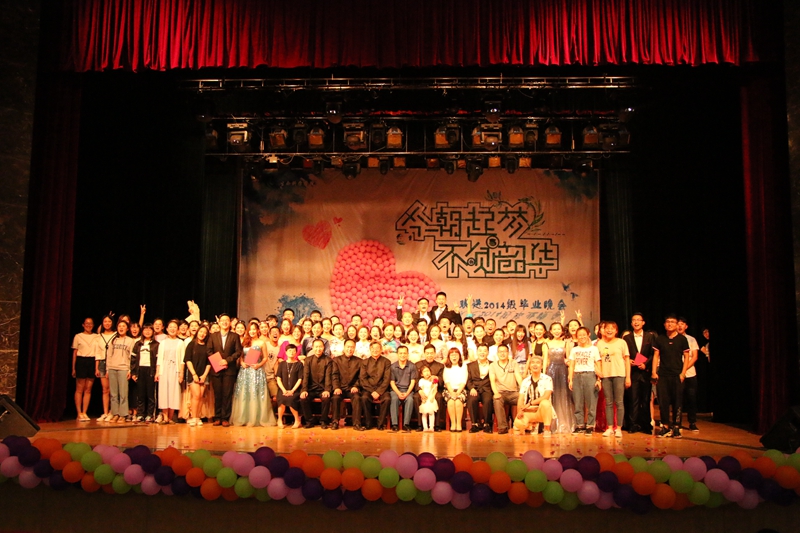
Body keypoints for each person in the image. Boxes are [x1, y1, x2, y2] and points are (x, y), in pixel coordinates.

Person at [652, 315, 691, 439]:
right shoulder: (660, 339)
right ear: (664, 324)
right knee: (663, 402)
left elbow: (686, 357)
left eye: (673, 322)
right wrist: (654, 372)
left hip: (677, 375)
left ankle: (676, 427)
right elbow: (656, 356)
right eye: (668, 322)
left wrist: (683, 373)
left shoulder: (682, 339)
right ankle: (665, 426)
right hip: (663, 375)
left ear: (677, 324)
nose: (670, 324)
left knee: (677, 402)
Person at [230, 323, 276, 427]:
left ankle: (256, 418)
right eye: (250, 330)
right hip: (245, 371)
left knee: (256, 393)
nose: (252, 331)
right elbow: (240, 355)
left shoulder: (261, 342)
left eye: (254, 329)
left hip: (256, 371)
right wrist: (242, 362)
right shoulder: (244, 342)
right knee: (244, 393)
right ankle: (244, 418)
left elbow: (265, 358)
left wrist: (259, 365)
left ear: (258, 330)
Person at [621, 313, 657, 433]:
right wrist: (629, 361)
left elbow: (653, 354)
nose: (636, 322)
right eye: (634, 320)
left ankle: (646, 424)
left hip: (645, 372)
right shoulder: (627, 338)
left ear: (643, 322)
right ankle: (633, 424)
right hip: (633, 373)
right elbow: (624, 354)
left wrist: (645, 364)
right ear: (631, 323)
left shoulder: (650, 337)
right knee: (633, 399)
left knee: (646, 399)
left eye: (638, 320)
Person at [206, 314, 243, 427]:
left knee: (227, 394)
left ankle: (225, 418)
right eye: (222, 320)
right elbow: (209, 351)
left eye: (227, 320)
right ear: (219, 322)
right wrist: (219, 362)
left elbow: (238, 351)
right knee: (217, 394)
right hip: (216, 369)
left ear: (230, 322)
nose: (224, 322)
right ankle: (217, 417)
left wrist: (227, 361)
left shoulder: (234, 336)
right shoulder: (213, 336)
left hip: (229, 370)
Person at [596, 321, 631, 437]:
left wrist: (628, 377)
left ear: (616, 331)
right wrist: (598, 375)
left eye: (612, 328)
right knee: (608, 402)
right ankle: (610, 428)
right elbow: (597, 361)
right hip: (605, 376)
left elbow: (627, 360)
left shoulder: (622, 342)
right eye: (607, 328)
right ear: (603, 330)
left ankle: (618, 428)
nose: (609, 330)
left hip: (619, 374)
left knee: (619, 402)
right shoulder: (600, 344)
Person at [99, 320, 135, 423]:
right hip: (112, 368)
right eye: (119, 326)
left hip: (123, 368)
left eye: (123, 326)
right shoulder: (113, 340)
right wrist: (107, 369)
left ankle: (123, 414)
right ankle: (115, 413)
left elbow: (132, 357)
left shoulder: (130, 341)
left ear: (127, 328)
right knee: (113, 394)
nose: (121, 328)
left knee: (123, 393)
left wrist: (130, 370)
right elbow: (109, 355)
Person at [568, 326, 602, 435]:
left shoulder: (594, 349)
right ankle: (580, 425)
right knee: (578, 402)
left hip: (590, 375)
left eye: (584, 335)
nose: (582, 337)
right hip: (577, 376)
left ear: (588, 335)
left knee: (591, 402)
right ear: (576, 337)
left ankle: (590, 425)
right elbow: (571, 365)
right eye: (579, 335)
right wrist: (571, 379)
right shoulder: (574, 349)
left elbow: (598, 364)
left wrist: (599, 379)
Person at [513, 356, 555, 436]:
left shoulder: (547, 379)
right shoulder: (525, 381)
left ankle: (547, 429)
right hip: (528, 411)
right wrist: (519, 411)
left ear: (541, 366)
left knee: (545, 403)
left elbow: (546, 396)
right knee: (517, 426)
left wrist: (530, 403)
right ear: (529, 366)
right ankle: (530, 426)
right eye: (532, 363)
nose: (535, 365)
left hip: (541, 411)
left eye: (538, 363)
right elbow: (521, 398)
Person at [545, 322, 575, 434]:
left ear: (562, 331)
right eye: (554, 329)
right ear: (551, 331)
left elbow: (568, 358)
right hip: (551, 371)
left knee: (563, 395)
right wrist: (544, 374)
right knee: (552, 395)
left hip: (563, 371)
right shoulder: (546, 343)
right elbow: (545, 360)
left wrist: (570, 373)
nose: (557, 331)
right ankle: (551, 424)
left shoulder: (565, 343)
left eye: (559, 329)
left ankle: (564, 423)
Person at [155, 320, 186, 424]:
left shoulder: (180, 343)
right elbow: (159, 359)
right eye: (170, 327)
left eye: (175, 327)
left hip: (175, 369)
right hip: (164, 369)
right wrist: (157, 372)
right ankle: (165, 417)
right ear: (167, 329)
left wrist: (181, 373)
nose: (172, 329)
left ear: (178, 330)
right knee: (164, 392)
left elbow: (182, 360)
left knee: (174, 392)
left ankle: (171, 417)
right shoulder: (163, 343)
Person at [357, 341, 392, 430]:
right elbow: (363, 379)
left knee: (387, 399)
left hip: (382, 389)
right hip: (368, 389)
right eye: (373, 348)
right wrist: (372, 391)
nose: (375, 350)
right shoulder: (365, 362)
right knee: (364, 398)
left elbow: (387, 379)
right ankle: (368, 423)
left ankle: (380, 424)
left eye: (377, 348)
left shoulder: (386, 362)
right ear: (370, 349)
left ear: (381, 349)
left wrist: (379, 392)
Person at [300, 339, 333, 428]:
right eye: (316, 347)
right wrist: (304, 390)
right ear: (312, 348)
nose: (318, 349)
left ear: (324, 348)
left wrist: (327, 390)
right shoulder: (308, 360)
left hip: (323, 388)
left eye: (320, 347)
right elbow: (306, 376)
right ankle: (309, 421)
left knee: (326, 398)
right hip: (311, 388)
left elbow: (328, 377)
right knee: (303, 398)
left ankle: (324, 421)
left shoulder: (328, 360)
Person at [183, 325, 212, 426]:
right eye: (201, 331)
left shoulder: (208, 346)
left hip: (204, 374)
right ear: (197, 332)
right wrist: (194, 374)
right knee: (196, 395)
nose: (202, 334)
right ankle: (193, 417)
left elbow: (209, 362)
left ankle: (198, 417)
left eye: (205, 333)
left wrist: (204, 375)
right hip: (193, 373)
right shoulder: (191, 344)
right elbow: (188, 360)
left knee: (200, 397)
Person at [130, 323, 159, 423]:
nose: (147, 331)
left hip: (150, 371)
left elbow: (158, 360)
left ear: (153, 332)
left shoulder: (156, 344)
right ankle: (140, 414)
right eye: (145, 329)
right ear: (142, 331)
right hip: (140, 370)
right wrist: (133, 373)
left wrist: (156, 372)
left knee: (150, 394)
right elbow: (133, 359)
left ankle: (150, 415)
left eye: (149, 330)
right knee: (140, 394)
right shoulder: (138, 344)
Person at [490, 344, 521, 434]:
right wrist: (496, 393)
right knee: (497, 400)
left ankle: (522, 425)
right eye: (500, 352)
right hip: (501, 393)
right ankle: (503, 427)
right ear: (497, 353)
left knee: (524, 398)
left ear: (508, 353)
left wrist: (523, 391)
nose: (502, 353)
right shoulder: (493, 365)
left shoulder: (513, 363)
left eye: (504, 351)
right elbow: (492, 380)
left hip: (513, 393)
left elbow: (518, 377)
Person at [331, 339, 362, 430]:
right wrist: (336, 387)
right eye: (348, 347)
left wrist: (356, 386)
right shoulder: (336, 360)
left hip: (352, 388)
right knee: (335, 398)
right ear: (344, 348)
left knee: (357, 398)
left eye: (352, 347)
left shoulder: (359, 361)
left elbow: (361, 377)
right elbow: (334, 375)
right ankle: (335, 422)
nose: (350, 349)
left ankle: (356, 423)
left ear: (354, 349)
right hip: (340, 388)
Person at [415, 344, 446, 432]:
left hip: (434, 390)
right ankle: (420, 425)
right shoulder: (418, 364)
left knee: (439, 397)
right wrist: (419, 390)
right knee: (416, 397)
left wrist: (436, 378)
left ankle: (437, 425)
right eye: (427, 353)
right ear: (424, 353)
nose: (429, 355)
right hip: (422, 389)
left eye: (431, 353)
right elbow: (415, 380)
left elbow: (442, 380)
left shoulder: (440, 366)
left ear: (435, 353)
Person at [72, 317, 98, 421]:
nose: (88, 325)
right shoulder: (78, 336)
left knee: (88, 389)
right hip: (81, 361)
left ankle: (84, 412)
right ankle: (79, 413)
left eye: (91, 323)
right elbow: (74, 353)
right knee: (80, 388)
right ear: (83, 325)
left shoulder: (96, 336)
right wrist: (73, 368)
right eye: (86, 323)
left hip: (92, 361)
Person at [677, 317, 700, 432]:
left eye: (682, 324)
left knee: (691, 399)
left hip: (690, 374)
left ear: (686, 326)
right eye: (678, 324)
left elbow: (695, 356)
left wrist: (684, 369)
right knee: (678, 400)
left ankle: (692, 422)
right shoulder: (673, 339)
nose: (680, 326)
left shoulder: (691, 339)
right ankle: (677, 423)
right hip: (677, 374)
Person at [389, 346, 418, 432]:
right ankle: (394, 424)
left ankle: (406, 424)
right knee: (394, 399)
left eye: (404, 353)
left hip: (408, 389)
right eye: (400, 353)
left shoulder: (412, 366)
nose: (402, 355)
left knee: (410, 400)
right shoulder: (393, 366)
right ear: (397, 354)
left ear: (408, 354)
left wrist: (407, 393)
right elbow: (392, 382)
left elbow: (413, 382)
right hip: (396, 390)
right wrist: (398, 393)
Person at [466, 343, 493, 433]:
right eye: (480, 351)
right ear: (477, 352)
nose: (482, 353)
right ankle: (475, 424)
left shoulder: (493, 364)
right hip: (475, 388)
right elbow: (468, 380)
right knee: (472, 399)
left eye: (484, 351)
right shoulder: (470, 365)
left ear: (488, 352)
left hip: (487, 389)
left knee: (488, 400)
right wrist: (471, 388)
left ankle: (487, 424)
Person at [94, 315, 116, 421]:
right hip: (102, 362)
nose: (107, 323)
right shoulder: (99, 336)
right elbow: (97, 353)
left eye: (109, 321)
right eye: (105, 321)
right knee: (105, 389)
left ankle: (112, 412)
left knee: (112, 390)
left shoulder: (116, 335)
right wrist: (96, 368)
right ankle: (105, 412)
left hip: (112, 362)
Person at [276, 344, 303, 429]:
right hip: (283, 389)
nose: (291, 352)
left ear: (296, 352)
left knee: (291, 399)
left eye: (293, 351)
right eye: (289, 351)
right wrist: (284, 390)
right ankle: (279, 420)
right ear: (286, 352)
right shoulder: (282, 364)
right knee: (282, 399)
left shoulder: (299, 364)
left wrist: (292, 391)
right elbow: (278, 378)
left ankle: (297, 420)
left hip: (295, 389)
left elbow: (300, 379)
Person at [443, 347, 468, 432]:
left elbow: (464, 380)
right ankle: (453, 423)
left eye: (456, 355)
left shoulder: (463, 366)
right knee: (450, 402)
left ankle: (459, 424)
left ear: (459, 356)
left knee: (458, 402)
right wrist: (451, 392)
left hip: (461, 389)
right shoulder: (446, 367)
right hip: (448, 390)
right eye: (452, 355)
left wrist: (457, 392)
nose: (454, 357)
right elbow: (446, 381)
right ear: (449, 357)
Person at [417, 366, 439, 431]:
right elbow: (422, 389)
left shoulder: (433, 380)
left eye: (428, 371)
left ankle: (431, 427)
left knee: (431, 413)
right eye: (424, 371)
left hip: (431, 398)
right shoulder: (421, 381)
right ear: (421, 374)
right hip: (425, 398)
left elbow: (435, 390)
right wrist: (423, 398)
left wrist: (433, 396)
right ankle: (425, 427)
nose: (427, 373)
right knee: (424, 413)